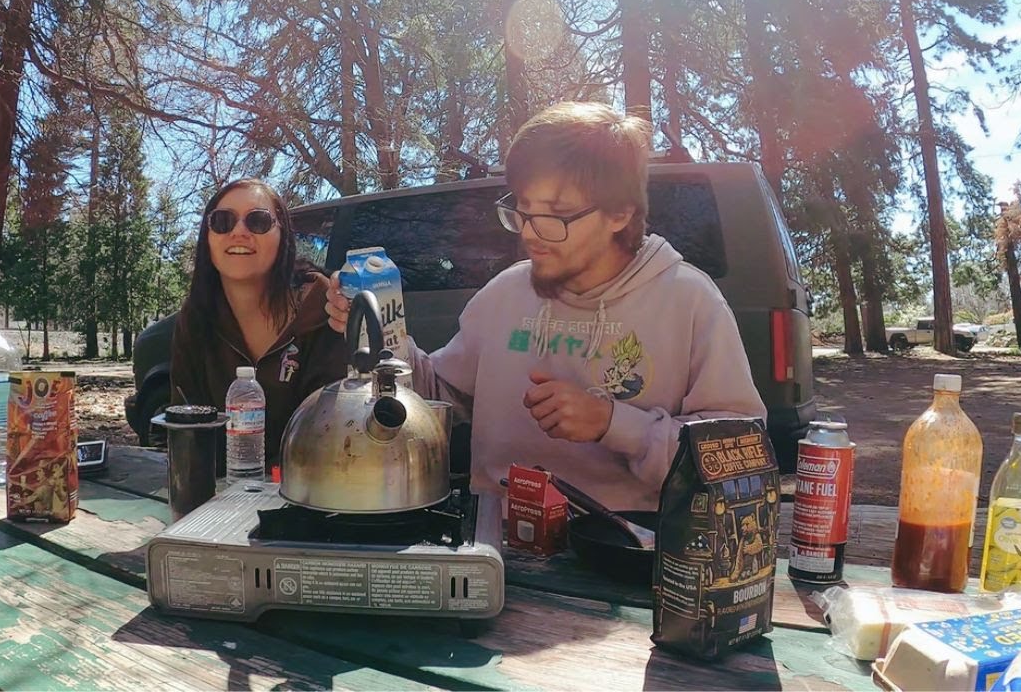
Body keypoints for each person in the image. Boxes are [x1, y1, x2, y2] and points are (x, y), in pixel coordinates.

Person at [326, 102, 765, 510]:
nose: (531, 233)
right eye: (523, 208)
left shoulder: (689, 300)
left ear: (621, 214)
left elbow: (739, 456)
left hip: (627, 547)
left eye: (557, 213)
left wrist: (615, 424)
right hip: (498, 538)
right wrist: (384, 337)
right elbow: (440, 396)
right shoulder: (505, 293)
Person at [171, 178, 348, 474]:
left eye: (258, 221)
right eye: (223, 221)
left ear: (284, 237)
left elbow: (331, 427)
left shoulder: (323, 305)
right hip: (221, 500)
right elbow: (185, 426)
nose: (239, 231)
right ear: (208, 238)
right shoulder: (195, 317)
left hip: (312, 491)